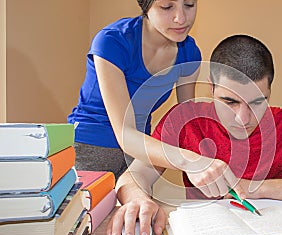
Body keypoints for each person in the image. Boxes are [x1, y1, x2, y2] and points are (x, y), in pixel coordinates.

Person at [106, 34, 282, 235]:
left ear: (270, 92)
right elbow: (133, 176)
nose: (243, 118)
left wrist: (252, 187)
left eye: (258, 102)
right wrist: (139, 200)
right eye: (229, 101)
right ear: (211, 88)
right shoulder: (185, 121)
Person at [68, 0, 244, 197]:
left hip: (142, 155)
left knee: (138, 221)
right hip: (90, 149)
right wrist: (190, 160)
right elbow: (126, 133)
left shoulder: (189, 52)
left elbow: (186, 120)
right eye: (167, 7)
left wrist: (216, 166)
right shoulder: (113, 42)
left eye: (189, 4)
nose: (181, 18)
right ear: (146, 7)